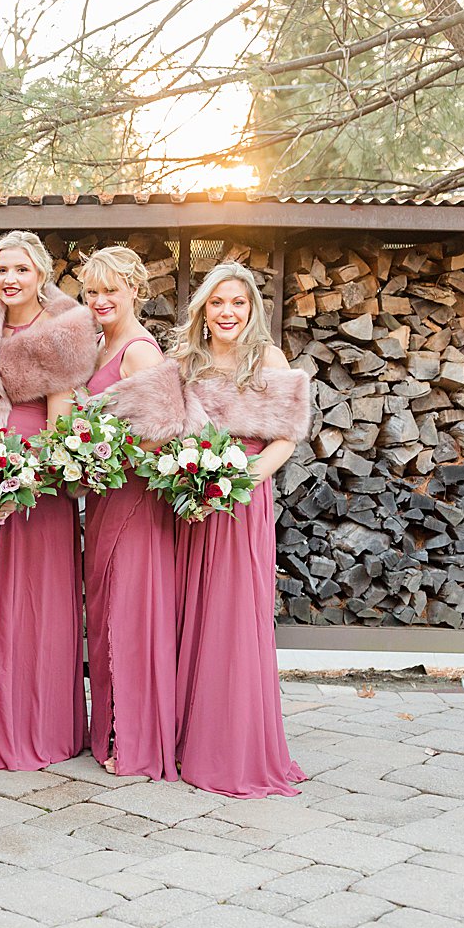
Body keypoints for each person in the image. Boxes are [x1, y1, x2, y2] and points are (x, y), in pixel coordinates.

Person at [0, 230, 98, 771]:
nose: (9, 279)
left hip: (39, 489)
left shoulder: (64, 331)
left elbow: (62, 426)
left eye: (21, 270)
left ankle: (39, 725)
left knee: (36, 603)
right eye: (1, 270)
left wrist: (21, 478)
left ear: (41, 273)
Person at [170, 262, 310, 798]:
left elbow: (286, 437)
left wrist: (240, 478)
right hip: (191, 502)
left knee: (233, 614)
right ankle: (189, 737)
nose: (228, 312)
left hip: (244, 497)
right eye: (218, 303)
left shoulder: (268, 359)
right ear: (203, 310)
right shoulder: (185, 361)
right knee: (194, 611)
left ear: (252, 310)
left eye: (239, 303)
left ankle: (235, 744)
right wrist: (190, 474)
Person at [78, 248, 183, 781]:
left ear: (134, 292)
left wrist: (106, 449)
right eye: (91, 291)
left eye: (110, 291)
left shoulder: (140, 351)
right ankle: (111, 727)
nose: (99, 301)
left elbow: (166, 433)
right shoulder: (99, 344)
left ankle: (136, 739)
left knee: (130, 613)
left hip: (135, 501)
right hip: (103, 496)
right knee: (105, 612)